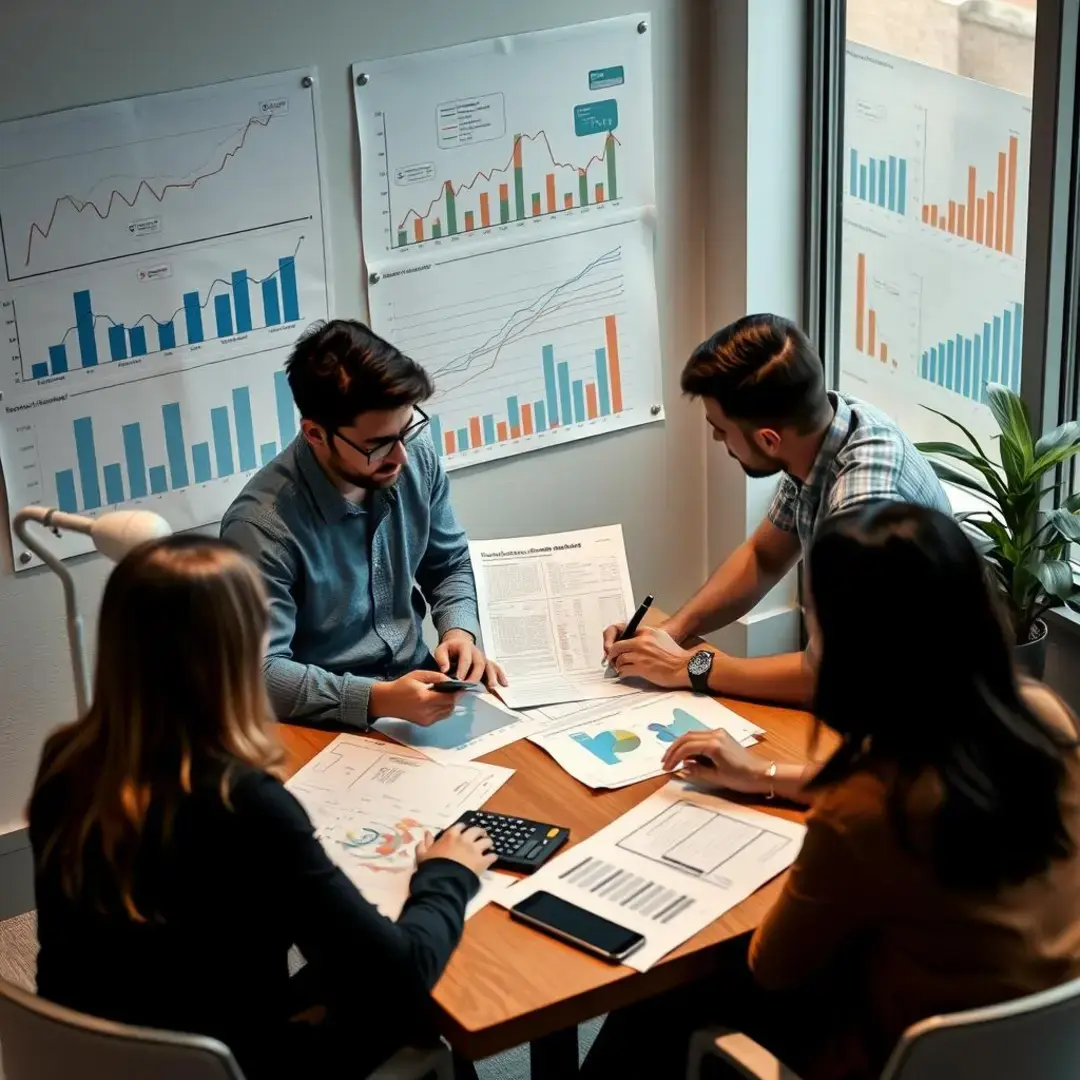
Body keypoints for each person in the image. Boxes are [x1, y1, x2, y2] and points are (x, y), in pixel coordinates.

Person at [582, 503, 1080, 1080]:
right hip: (1042, 1047)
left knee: (660, 997)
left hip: (892, 1057)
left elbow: (773, 967)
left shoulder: (861, 811)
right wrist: (764, 776)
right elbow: (908, 787)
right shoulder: (1044, 720)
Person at [29, 536, 496, 1080]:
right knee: (412, 1009)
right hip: (230, 1065)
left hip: (85, 1056)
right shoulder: (243, 802)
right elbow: (399, 977)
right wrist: (448, 874)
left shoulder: (66, 760)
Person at [603, 313, 949, 708]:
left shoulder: (861, 507)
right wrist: (669, 633)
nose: (716, 437)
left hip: (920, 714)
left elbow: (829, 676)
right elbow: (763, 556)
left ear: (769, 440)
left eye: (720, 428)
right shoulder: (822, 430)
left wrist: (686, 667)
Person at [222, 319, 504, 730]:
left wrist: (459, 631)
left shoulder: (409, 453)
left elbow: (449, 564)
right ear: (316, 434)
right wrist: (378, 699)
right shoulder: (261, 528)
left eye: (407, 429)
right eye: (377, 446)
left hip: (421, 693)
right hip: (317, 721)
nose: (401, 457)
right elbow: (261, 674)